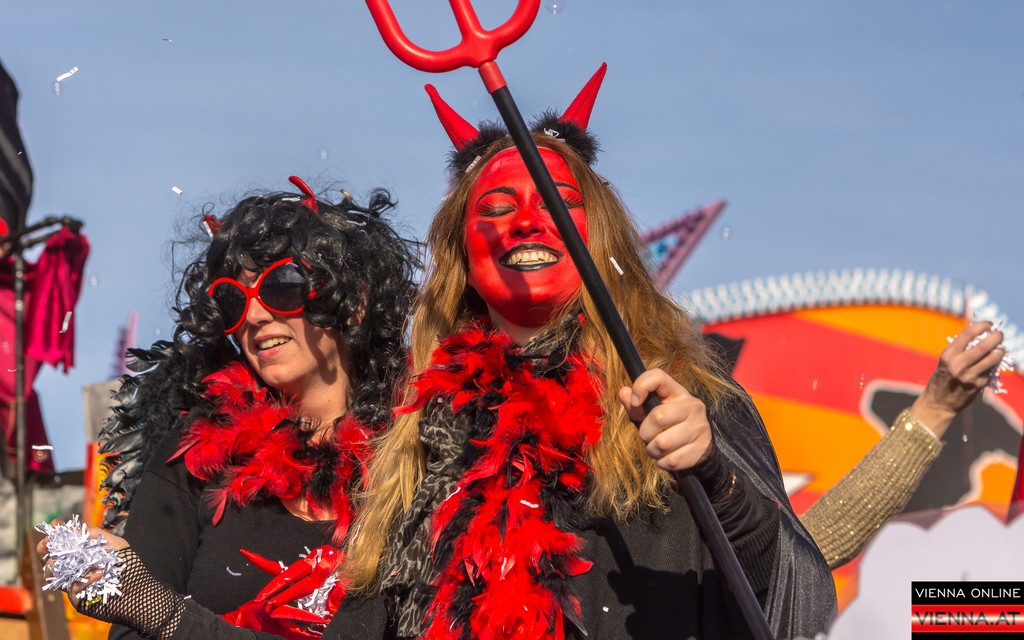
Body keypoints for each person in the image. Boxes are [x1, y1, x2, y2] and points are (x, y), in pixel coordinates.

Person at [39, 69, 836, 639]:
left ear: (602, 235)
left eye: (556, 203)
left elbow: (798, 600)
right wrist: (152, 607)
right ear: (460, 250)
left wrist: (714, 474)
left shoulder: (682, 395)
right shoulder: (426, 434)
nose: (526, 223)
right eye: (496, 206)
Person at [90, 176, 419, 639]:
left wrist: (166, 616)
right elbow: (131, 632)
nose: (256, 315)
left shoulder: (425, 449)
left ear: (354, 303)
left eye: (282, 285)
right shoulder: (195, 453)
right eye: (232, 300)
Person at [801, 320, 1007, 569]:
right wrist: (935, 407)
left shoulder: (992, 420)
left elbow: (805, 547)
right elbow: (811, 545)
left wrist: (936, 407)